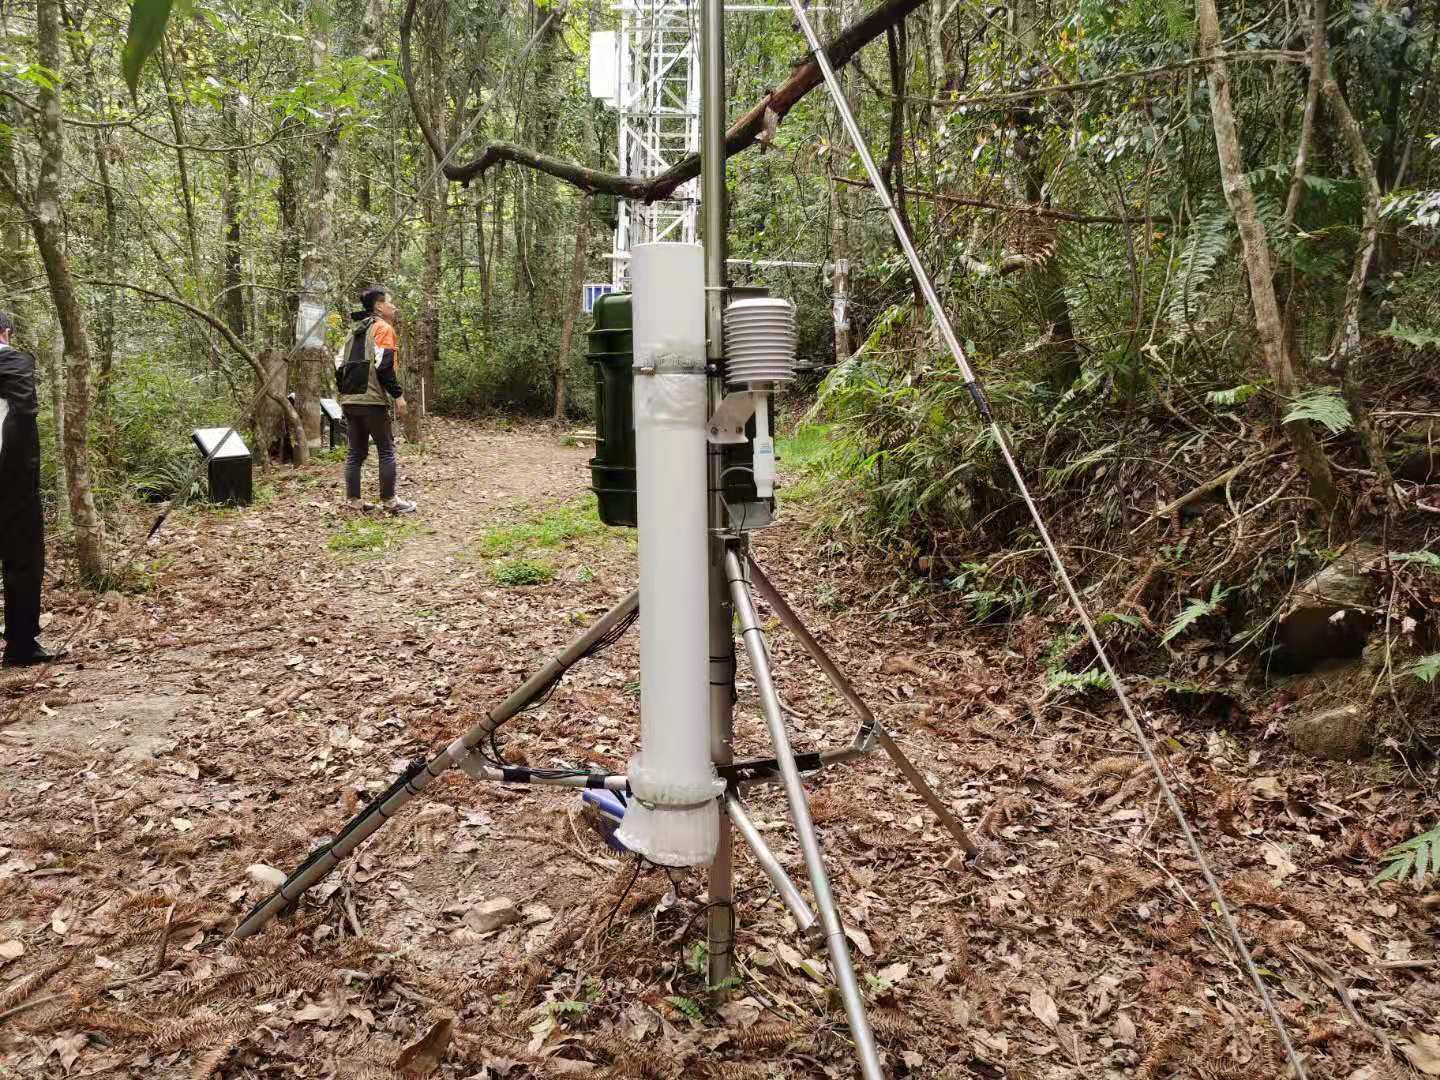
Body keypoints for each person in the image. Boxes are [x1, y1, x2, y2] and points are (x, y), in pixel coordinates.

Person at [0, 311, 66, 667]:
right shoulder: (12, 362)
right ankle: (21, 644)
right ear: (6, 332)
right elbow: (24, 413)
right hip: (10, 480)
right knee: (23, 558)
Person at [336, 287, 416, 514]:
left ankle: (354, 502)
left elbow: (338, 366)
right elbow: (384, 367)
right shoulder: (383, 328)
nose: (394, 306)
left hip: (350, 400)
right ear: (379, 307)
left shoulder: (352, 332)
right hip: (372, 401)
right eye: (390, 302)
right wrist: (398, 396)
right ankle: (390, 502)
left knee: (355, 452)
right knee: (386, 450)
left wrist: (346, 393)